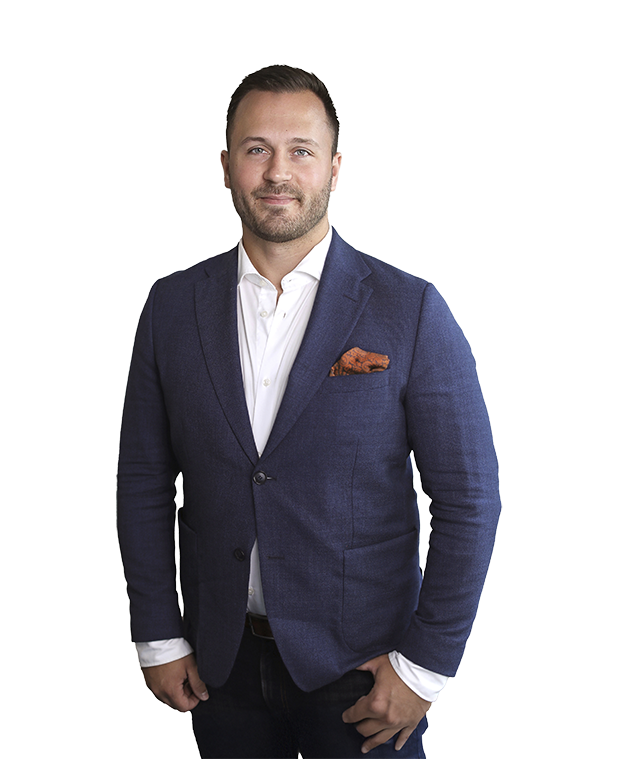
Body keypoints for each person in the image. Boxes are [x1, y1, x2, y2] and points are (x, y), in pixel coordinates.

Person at [116, 64, 502, 759]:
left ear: (333, 166)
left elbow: (468, 497)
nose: (277, 172)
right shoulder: (171, 307)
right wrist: (159, 635)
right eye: (256, 148)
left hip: (363, 668)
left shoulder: (409, 309)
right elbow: (143, 482)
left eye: (300, 150)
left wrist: (423, 667)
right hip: (220, 663)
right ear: (227, 167)